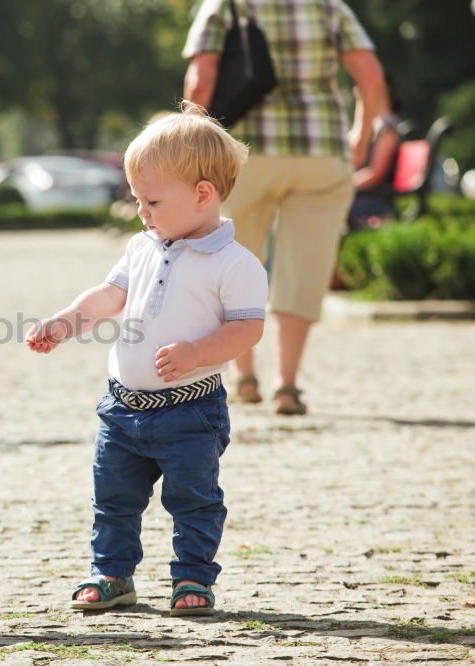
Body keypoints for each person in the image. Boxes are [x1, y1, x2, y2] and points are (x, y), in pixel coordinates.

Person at [26, 107, 268, 615]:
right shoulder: (141, 247)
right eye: (137, 200)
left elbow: (248, 328)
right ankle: (111, 574)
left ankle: (193, 579)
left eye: (152, 201)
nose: (142, 212)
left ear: (203, 194)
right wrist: (66, 322)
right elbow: (108, 297)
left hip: (190, 412)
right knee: (112, 499)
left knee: (194, 500)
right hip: (122, 408)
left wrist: (198, 352)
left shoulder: (236, 263)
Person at [183, 0, 387, 415]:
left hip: (241, 154)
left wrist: (191, 146)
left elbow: (201, 81)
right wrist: (361, 137)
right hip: (321, 151)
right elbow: (370, 76)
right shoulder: (329, 7)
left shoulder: (225, 4)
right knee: (304, 268)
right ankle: (287, 385)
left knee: (232, 259)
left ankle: (244, 376)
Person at [348, 77, 404, 229]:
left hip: (374, 200)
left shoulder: (387, 129)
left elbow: (375, 173)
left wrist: (344, 185)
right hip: (364, 196)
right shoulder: (376, 126)